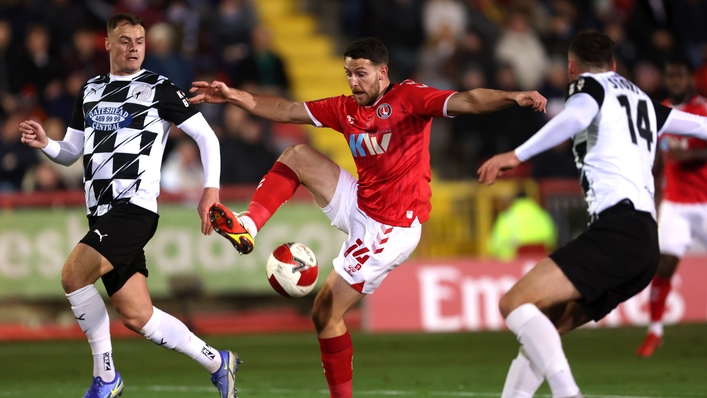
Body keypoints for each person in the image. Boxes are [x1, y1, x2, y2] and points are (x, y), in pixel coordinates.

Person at [188, 36, 547, 398]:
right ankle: (248, 226)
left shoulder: (409, 98)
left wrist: (511, 96)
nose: (353, 82)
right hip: (361, 200)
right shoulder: (346, 108)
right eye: (348, 74)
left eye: (360, 74)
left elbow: (467, 100)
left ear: (382, 72)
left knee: (325, 312)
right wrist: (234, 96)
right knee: (297, 154)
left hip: (393, 227)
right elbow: (286, 109)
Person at [19, 13, 240, 398]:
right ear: (107, 44)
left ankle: (106, 378)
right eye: (124, 40)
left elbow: (207, 138)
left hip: (134, 208)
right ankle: (219, 363)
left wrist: (211, 190)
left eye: (139, 40)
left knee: (73, 276)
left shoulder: (158, 87)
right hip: (101, 212)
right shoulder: (89, 90)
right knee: (139, 316)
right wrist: (47, 145)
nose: (133, 46)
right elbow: (72, 152)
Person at [477, 30, 707, 398]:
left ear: (572, 68)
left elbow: (576, 117)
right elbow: (699, 126)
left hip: (619, 230)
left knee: (514, 303)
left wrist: (515, 155)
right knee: (544, 330)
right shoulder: (643, 99)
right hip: (645, 243)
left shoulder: (588, 88)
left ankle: (569, 393)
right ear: (614, 65)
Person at [636, 58, 707, 358]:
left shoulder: (701, 108)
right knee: (664, 265)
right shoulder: (659, 111)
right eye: (670, 75)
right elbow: (655, 158)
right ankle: (655, 331)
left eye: (680, 75)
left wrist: (686, 155)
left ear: (690, 78)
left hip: (704, 202)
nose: (676, 80)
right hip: (676, 203)